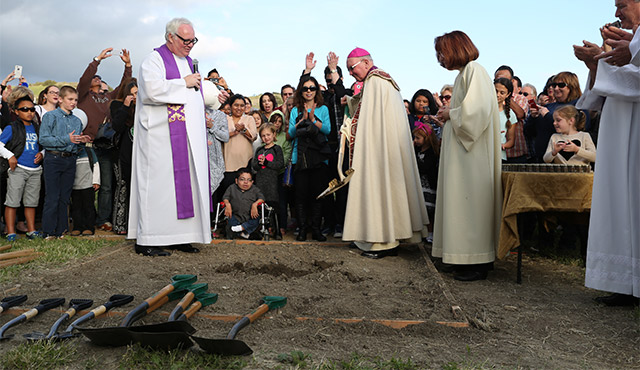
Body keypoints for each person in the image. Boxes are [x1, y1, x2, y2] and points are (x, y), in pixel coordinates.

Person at [128, 17, 213, 256]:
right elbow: (152, 91)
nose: (190, 45)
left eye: (193, 40)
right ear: (170, 38)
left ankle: (180, 236)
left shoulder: (189, 62)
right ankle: (148, 240)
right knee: (157, 188)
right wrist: (183, 83)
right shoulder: (154, 60)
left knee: (184, 186)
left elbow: (193, 96)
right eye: (185, 40)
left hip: (186, 138)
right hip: (159, 138)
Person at [573, 0, 640, 305]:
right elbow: (601, 93)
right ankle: (624, 282)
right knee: (618, 199)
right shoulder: (632, 40)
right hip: (618, 125)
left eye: (622, 4)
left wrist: (603, 61)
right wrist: (596, 64)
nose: (617, 13)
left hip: (635, 127)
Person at [341, 47, 429, 258]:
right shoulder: (380, 81)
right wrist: (352, 101)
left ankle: (383, 242)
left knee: (381, 189)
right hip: (386, 148)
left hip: (380, 152)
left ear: (366, 62)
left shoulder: (376, 81)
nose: (351, 74)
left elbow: (370, 120)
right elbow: (367, 110)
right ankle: (378, 236)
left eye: (352, 69)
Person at [432, 31, 502, 281]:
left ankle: (477, 260)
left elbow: (477, 112)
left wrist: (452, 113)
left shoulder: (475, 70)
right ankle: (458, 256)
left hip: (472, 156)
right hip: (461, 152)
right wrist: (448, 112)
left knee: (471, 204)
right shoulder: (464, 74)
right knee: (459, 202)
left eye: (442, 51)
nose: (439, 58)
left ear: (455, 48)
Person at [77, 47, 132, 232]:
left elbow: (125, 87)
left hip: (105, 146)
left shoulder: (108, 97)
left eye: (99, 77)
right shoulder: (83, 96)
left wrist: (128, 66)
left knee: (107, 185)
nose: (97, 78)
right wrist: (97, 60)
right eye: (95, 77)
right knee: (85, 186)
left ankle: (103, 219)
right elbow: (84, 80)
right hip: (86, 146)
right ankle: (83, 219)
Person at [39, 86, 92, 239]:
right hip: (53, 159)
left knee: (64, 198)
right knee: (52, 197)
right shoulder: (50, 116)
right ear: (60, 99)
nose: (73, 103)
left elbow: (74, 143)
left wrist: (82, 141)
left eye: (75, 100)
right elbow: (43, 140)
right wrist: (66, 139)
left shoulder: (76, 121)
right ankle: (48, 232)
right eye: (70, 99)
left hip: (70, 159)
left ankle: (61, 230)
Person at [288, 76, 330, 242]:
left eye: (312, 88)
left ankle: (316, 229)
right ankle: (303, 229)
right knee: (301, 196)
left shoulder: (323, 109)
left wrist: (313, 120)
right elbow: (290, 134)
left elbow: (327, 130)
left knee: (318, 195)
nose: (309, 91)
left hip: (318, 157)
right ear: (301, 91)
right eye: (305, 88)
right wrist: (302, 121)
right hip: (301, 157)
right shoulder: (295, 110)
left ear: (316, 91)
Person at [0, 96, 43, 240]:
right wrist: (10, 156)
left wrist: (42, 154)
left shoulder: (37, 127)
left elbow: (44, 146)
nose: (29, 112)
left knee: (31, 202)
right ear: (16, 111)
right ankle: (11, 232)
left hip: (35, 170)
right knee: (12, 201)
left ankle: (31, 230)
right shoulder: (11, 127)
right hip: (18, 169)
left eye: (32, 109)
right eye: (24, 109)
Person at [110, 79, 137, 235]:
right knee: (122, 187)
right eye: (133, 94)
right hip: (122, 155)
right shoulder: (118, 106)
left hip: (139, 156)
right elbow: (117, 126)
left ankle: (134, 223)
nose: (135, 96)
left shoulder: (145, 109)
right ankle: (120, 224)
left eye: (138, 93)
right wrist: (126, 106)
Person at [252, 124, 284, 239]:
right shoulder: (259, 150)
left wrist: (267, 163)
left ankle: (277, 230)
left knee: (274, 206)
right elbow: (254, 166)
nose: (266, 138)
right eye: (263, 136)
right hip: (260, 181)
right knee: (261, 205)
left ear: (274, 134)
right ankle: (262, 229)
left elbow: (280, 164)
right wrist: (259, 163)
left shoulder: (277, 149)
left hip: (272, 182)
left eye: (268, 135)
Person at [221, 94, 257, 195]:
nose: (239, 108)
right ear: (231, 106)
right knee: (228, 194)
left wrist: (244, 129)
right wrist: (233, 132)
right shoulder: (225, 119)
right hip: (228, 164)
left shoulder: (249, 119)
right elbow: (219, 136)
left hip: (245, 163)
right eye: (236, 105)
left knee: (245, 195)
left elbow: (253, 136)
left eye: (242, 105)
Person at [412, 124, 439, 244]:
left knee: (429, 211)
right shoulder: (417, 150)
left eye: (418, 138)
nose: (415, 141)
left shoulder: (431, 153)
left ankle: (430, 233)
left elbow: (425, 168)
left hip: (429, 185)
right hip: (419, 185)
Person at [222, 168, 265, 239]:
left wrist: (255, 204)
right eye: (242, 179)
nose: (246, 182)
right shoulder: (232, 188)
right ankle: (244, 234)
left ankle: (240, 230)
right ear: (236, 181)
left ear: (252, 182)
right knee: (230, 219)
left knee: (256, 220)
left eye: (249, 180)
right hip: (236, 215)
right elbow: (225, 198)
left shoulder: (255, 189)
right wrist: (227, 204)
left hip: (250, 216)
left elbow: (262, 198)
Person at [70, 145, 100, 236]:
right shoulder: (70, 151)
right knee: (76, 208)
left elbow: (96, 165)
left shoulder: (89, 151)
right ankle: (77, 227)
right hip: (75, 186)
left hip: (88, 185)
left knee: (88, 207)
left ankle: (89, 227)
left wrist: (96, 181)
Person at [494, 78, 516, 161]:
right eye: (495, 91)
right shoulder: (483, 110)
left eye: (502, 93)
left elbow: (511, 141)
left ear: (508, 94)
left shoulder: (511, 114)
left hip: (500, 157)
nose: (497, 95)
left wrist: (503, 145)